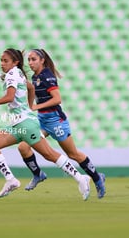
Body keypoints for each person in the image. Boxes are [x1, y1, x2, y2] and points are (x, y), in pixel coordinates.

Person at [0, 48, 91, 200]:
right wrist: (29, 107)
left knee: (49, 154)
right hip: (17, 124)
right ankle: (11, 180)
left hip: (26, 124)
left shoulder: (12, 75)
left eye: (5, 61)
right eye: (1, 60)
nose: (2, 64)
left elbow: (9, 97)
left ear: (15, 62)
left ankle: (81, 178)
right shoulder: (18, 73)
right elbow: (31, 87)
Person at [17, 49, 106, 198]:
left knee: (73, 154)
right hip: (42, 120)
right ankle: (38, 174)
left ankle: (97, 178)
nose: (31, 63)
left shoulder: (47, 76)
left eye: (33, 59)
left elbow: (57, 99)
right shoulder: (35, 77)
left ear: (42, 60)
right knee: (23, 146)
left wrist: (36, 107)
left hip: (55, 120)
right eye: (29, 60)